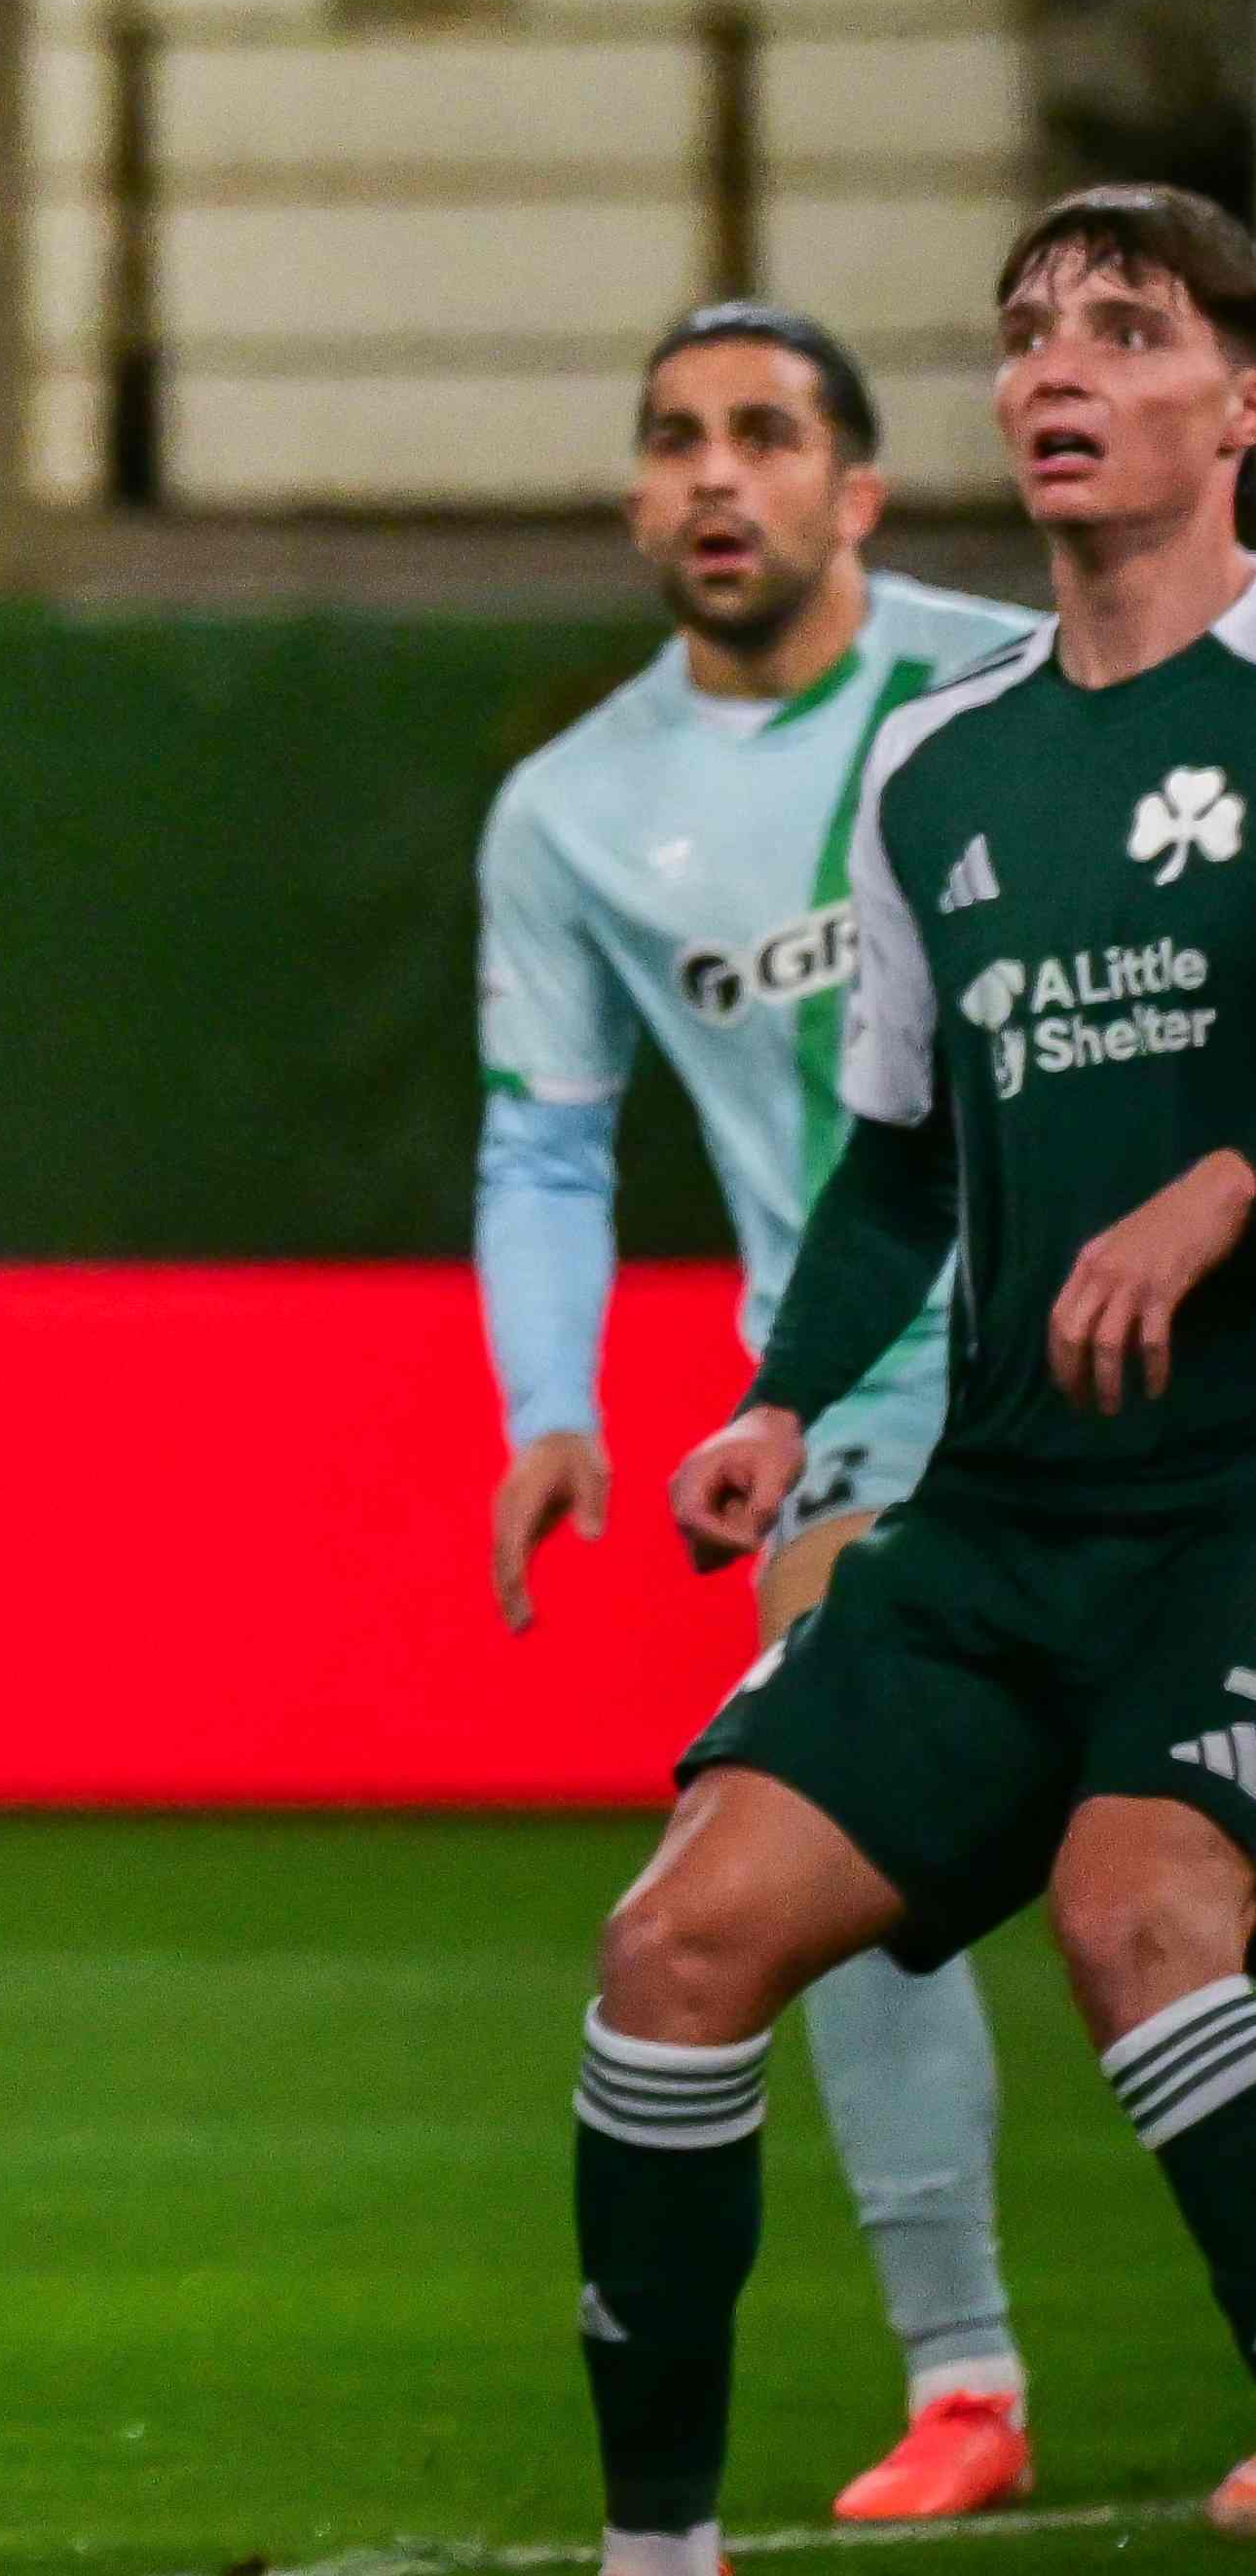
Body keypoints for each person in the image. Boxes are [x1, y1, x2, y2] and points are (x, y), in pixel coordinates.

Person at [573, 188, 1256, 2571]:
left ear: (1236, 404)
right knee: (671, 1947)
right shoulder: (939, 780)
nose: (1056, 369)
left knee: (1136, 1914)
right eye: (1026, 334)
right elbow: (887, 1171)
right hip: (1006, 1515)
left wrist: (1226, 1181)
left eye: (1126, 329)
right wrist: (775, 1399)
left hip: (1241, 1506)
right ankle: (654, 2551)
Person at [478, 303, 1038, 2519]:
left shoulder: (1010, 684)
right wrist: (547, 1398)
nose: (714, 475)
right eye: (671, 440)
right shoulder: (574, 809)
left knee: (1153, 1876)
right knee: (825, 1823)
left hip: (1152, 1358)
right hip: (858, 1399)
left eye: (763, 434)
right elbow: (540, 1136)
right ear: (632, 500)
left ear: (856, 491)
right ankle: (962, 2380)